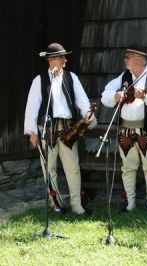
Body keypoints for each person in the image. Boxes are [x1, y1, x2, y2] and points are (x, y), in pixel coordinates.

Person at [24, 43, 95, 215]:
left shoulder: (71, 78)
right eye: (61, 57)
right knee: (49, 169)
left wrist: (88, 114)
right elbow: (32, 107)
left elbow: (83, 100)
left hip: (67, 129)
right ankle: (55, 203)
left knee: (73, 168)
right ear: (51, 60)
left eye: (64, 56)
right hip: (46, 129)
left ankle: (77, 205)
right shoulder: (39, 80)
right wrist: (32, 132)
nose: (65, 60)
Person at [101, 44, 147, 213]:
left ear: (138, 59)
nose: (125, 59)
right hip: (126, 129)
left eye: (127, 57)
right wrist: (115, 96)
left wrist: (145, 96)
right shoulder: (124, 77)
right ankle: (129, 202)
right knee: (128, 167)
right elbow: (105, 97)